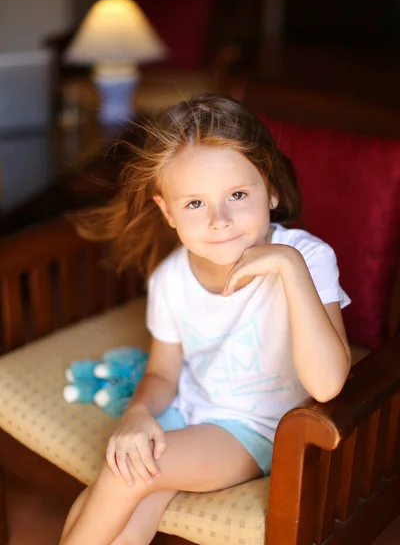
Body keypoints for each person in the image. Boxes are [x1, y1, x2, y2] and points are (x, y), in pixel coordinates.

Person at [59, 94, 351, 545]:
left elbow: (328, 383)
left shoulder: (309, 259)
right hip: (185, 411)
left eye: (237, 194)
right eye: (195, 203)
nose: (220, 220)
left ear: (270, 190)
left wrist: (289, 267)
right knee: (121, 491)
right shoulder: (170, 279)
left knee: (128, 478)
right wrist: (136, 415)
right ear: (167, 211)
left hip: (253, 429)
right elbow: (161, 372)